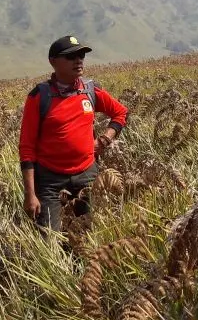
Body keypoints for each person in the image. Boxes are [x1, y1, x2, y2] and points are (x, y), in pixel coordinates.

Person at [18, 35, 129, 232]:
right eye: (70, 56)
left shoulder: (90, 90)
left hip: (87, 175)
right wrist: (30, 194)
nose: (78, 60)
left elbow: (121, 112)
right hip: (50, 181)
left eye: (81, 56)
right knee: (50, 238)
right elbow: (27, 148)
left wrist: (105, 139)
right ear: (53, 61)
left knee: (88, 234)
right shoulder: (39, 96)